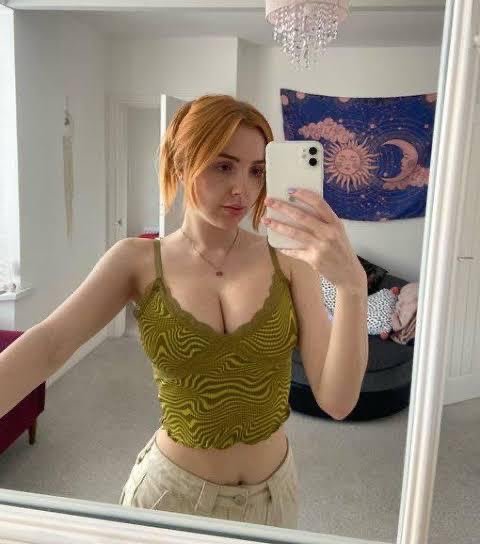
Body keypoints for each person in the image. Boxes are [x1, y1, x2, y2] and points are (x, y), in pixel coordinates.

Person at [0, 94, 368, 529]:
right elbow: (49, 344)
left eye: (256, 171)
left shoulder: (289, 260)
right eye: (223, 166)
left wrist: (352, 287)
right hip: (171, 497)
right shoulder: (135, 260)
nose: (243, 189)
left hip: (273, 501)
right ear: (180, 164)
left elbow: (337, 401)